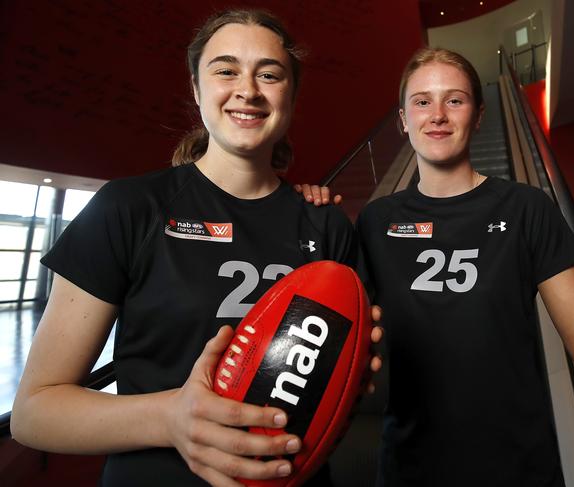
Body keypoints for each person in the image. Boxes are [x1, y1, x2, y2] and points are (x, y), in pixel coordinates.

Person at [11, 9, 381, 487]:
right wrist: (170, 418)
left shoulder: (326, 224)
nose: (247, 90)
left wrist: (348, 376)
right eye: (226, 70)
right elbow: (34, 412)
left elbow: (346, 379)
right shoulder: (129, 208)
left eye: (269, 74)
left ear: (291, 94)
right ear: (195, 87)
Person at [298, 47, 574, 486]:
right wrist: (307, 210)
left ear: (478, 115)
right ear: (404, 120)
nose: (438, 114)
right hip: (410, 468)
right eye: (422, 101)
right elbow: (338, 339)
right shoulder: (376, 220)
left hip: (518, 468)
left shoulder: (526, 208)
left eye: (455, 99)